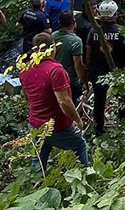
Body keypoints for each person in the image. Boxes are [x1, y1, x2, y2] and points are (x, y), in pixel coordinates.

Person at [19, 32, 88, 170]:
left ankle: (36, 180)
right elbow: (64, 101)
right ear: (53, 47)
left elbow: (27, 97)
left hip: (35, 124)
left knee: (38, 158)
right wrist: (77, 120)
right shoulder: (55, 70)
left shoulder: (25, 69)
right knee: (80, 146)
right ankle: (85, 177)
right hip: (57, 125)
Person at [85, 0, 125, 136]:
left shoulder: (93, 32)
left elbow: (88, 55)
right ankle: (124, 127)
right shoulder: (123, 32)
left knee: (99, 101)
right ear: (115, 14)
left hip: (98, 73)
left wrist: (88, 71)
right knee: (122, 99)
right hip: (118, 73)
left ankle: (99, 129)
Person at [52, 10, 88, 105]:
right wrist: (85, 80)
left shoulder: (53, 36)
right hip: (70, 80)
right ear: (73, 22)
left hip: (54, 78)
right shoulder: (76, 41)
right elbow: (78, 66)